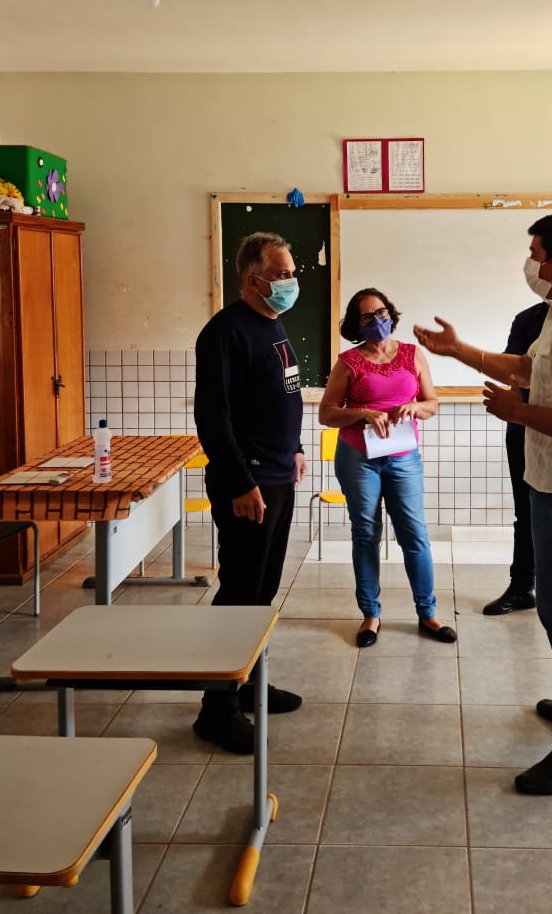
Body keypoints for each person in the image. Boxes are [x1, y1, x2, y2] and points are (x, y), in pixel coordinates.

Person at [414, 212, 552, 796]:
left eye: (535, 254)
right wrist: (460, 351)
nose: (529, 263)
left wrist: (518, 412)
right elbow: (531, 368)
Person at [191, 231, 306, 754]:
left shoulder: (272, 323)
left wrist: (296, 448)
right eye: (281, 274)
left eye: (291, 272)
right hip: (249, 483)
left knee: (262, 590)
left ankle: (248, 682)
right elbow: (212, 417)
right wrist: (240, 481)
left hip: (278, 475)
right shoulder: (225, 332)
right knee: (239, 593)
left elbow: (280, 396)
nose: (290, 282)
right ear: (251, 278)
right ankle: (215, 709)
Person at [318, 288, 455, 647]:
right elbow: (326, 413)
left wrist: (415, 408)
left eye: (380, 312)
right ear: (356, 324)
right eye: (366, 316)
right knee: (366, 534)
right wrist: (362, 413)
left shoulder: (412, 354)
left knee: (414, 535)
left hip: (403, 457)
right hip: (358, 459)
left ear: (390, 314)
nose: (376, 320)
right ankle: (370, 615)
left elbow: (431, 403)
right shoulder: (348, 362)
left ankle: (428, 613)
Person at [482, 301, 549, 616]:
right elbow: (513, 369)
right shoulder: (527, 319)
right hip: (521, 427)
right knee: (526, 512)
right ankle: (522, 586)